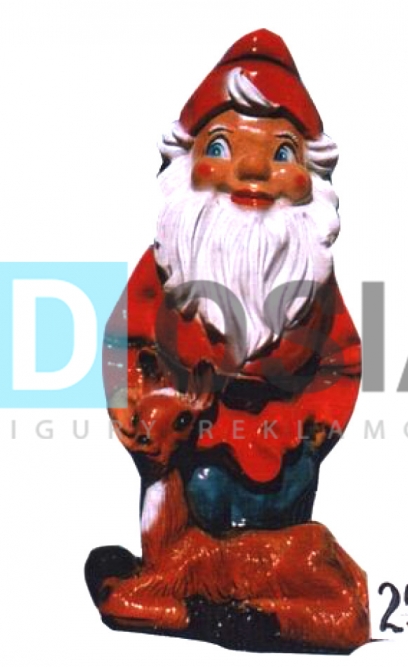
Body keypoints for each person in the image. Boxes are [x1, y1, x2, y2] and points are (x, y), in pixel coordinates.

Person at [103, 28, 361, 535]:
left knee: (284, 507)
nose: (253, 169)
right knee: (196, 499)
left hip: (280, 443)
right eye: (221, 147)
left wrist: (314, 429)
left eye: (282, 154)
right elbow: (123, 344)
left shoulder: (309, 280)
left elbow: (342, 362)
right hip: (189, 443)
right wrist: (138, 411)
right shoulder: (167, 266)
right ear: (187, 162)